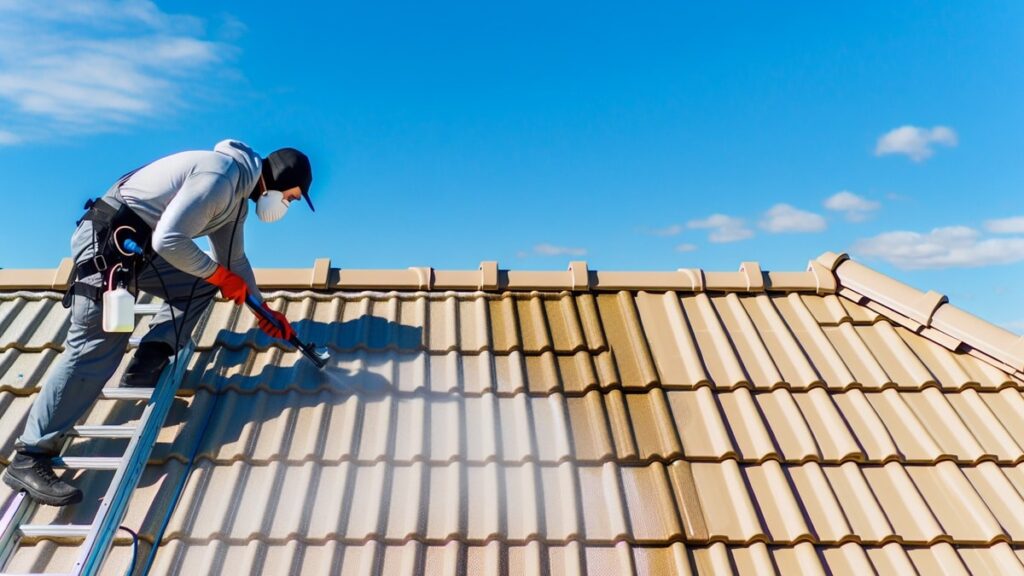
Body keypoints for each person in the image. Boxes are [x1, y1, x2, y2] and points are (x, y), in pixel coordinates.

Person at [3, 140, 313, 505]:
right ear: (278, 182)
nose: (286, 205)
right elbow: (169, 239)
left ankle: (150, 355)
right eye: (290, 198)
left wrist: (264, 310)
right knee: (95, 348)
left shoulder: (235, 203)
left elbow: (234, 263)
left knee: (200, 285)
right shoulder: (221, 176)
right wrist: (222, 277)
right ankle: (29, 456)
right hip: (107, 245)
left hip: (138, 251)